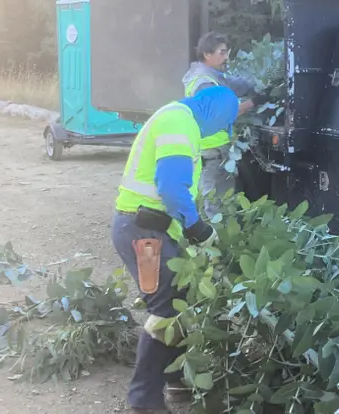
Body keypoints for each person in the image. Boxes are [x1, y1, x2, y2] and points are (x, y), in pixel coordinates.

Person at [111, 86, 242, 414]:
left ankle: (175, 380)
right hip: (143, 232)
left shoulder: (181, 118)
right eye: (224, 122)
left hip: (149, 229)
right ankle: (144, 399)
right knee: (167, 309)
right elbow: (171, 187)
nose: (222, 129)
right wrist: (197, 228)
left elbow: (203, 148)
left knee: (180, 298)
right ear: (215, 112)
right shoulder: (179, 124)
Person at [182, 31, 265, 219]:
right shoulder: (205, 83)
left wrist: (260, 84)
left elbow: (237, 84)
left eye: (226, 52)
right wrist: (254, 102)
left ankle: (218, 228)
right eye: (222, 52)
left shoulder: (212, 75)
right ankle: (213, 232)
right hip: (212, 150)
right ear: (207, 54)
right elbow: (225, 113)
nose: (226, 57)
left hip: (215, 149)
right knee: (214, 200)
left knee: (220, 197)